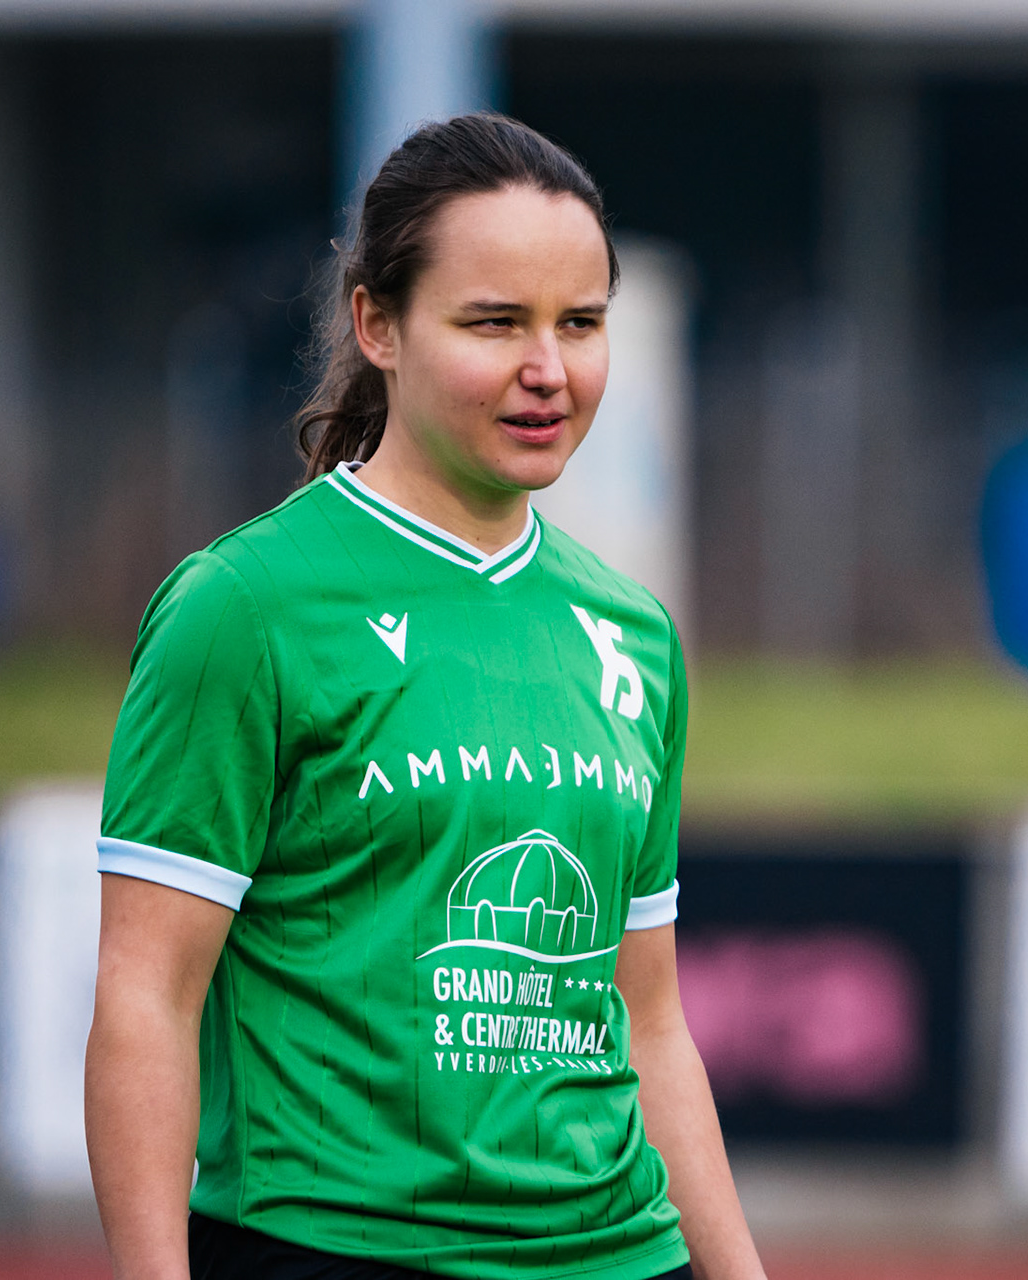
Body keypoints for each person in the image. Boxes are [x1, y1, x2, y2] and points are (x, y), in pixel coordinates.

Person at [84, 112, 766, 1280]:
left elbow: (648, 1018)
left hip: (621, 1254)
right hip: (333, 1248)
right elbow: (147, 996)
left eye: (581, 323)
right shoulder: (242, 608)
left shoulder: (635, 634)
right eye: (494, 322)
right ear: (377, 323)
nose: (547, 368)